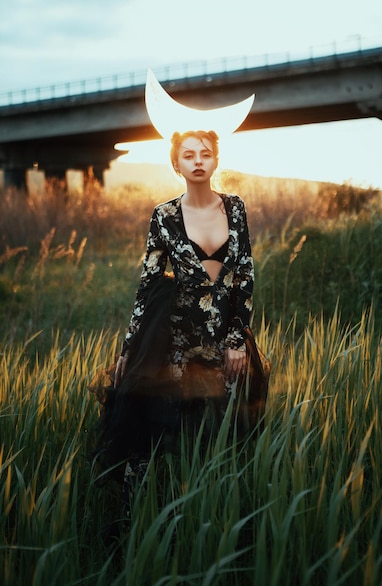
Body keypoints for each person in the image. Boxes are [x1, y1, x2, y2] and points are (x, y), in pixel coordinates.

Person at [88, 74, 268, 498]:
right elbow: (147, 284)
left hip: (224, 332)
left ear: (216, 160)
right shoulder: (163, 216)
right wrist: (127, 350)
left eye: (205, 153)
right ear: (176, 164)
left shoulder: (236, 208)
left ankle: (218, 509)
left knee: (221, 428)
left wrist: (238, 340)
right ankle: (144, 517)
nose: (198, 160)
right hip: (175, 334)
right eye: (189, 155)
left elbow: (245, 275)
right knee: (159, 426)